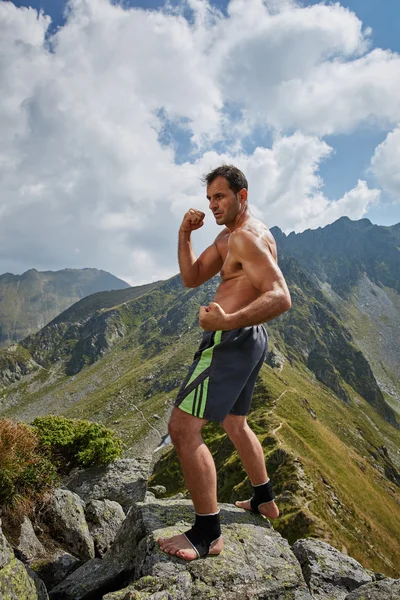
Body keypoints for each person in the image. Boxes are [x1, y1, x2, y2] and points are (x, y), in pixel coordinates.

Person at [158, 165, 291, 561]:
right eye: (209, 198)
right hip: (247, 339)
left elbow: (281, 296)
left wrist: (226, 322)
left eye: (220, 196)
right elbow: (192, 276)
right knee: (235, 422)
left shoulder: (247, 238)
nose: (213, 205)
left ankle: (206, 532)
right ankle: (264, 499)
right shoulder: (228, 238)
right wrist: (184, 235)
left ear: (242, 196)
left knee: (182, 429)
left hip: (230, 340)